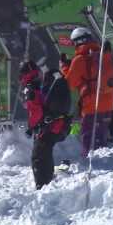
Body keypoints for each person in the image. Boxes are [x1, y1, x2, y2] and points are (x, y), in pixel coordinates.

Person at [60, 28, 113, 157]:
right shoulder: (103, 55)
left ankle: (93, 164)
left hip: (92, 106)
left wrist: (64, 68)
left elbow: (70, 84)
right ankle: (104, 161)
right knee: (101, 136)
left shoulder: (79, 60)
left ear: (77, 42)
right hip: (108, 104)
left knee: (89, 139)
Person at [19, 60, 72, 190]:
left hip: (48, 126)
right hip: (59, 124)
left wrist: (32, 127)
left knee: (38, 156)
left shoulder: (31, 88)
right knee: (45, 151)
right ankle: (48, 179)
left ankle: (42, 185)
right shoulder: (43, 83)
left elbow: (36, 111)